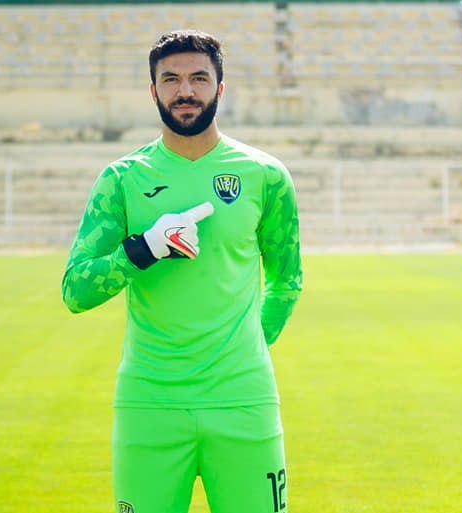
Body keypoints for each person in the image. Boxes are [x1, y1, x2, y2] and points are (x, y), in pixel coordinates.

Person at [62, 30, 302, 513]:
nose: (185, 90)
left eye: (199, 78)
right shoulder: (122, 179)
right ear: (153, 91)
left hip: (243, 400)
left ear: (220, 87)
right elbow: (76, 290)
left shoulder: (265, 175)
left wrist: (243, 346)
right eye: (170, 79)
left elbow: (286, 280)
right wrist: (144, 249)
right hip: (149, 403)